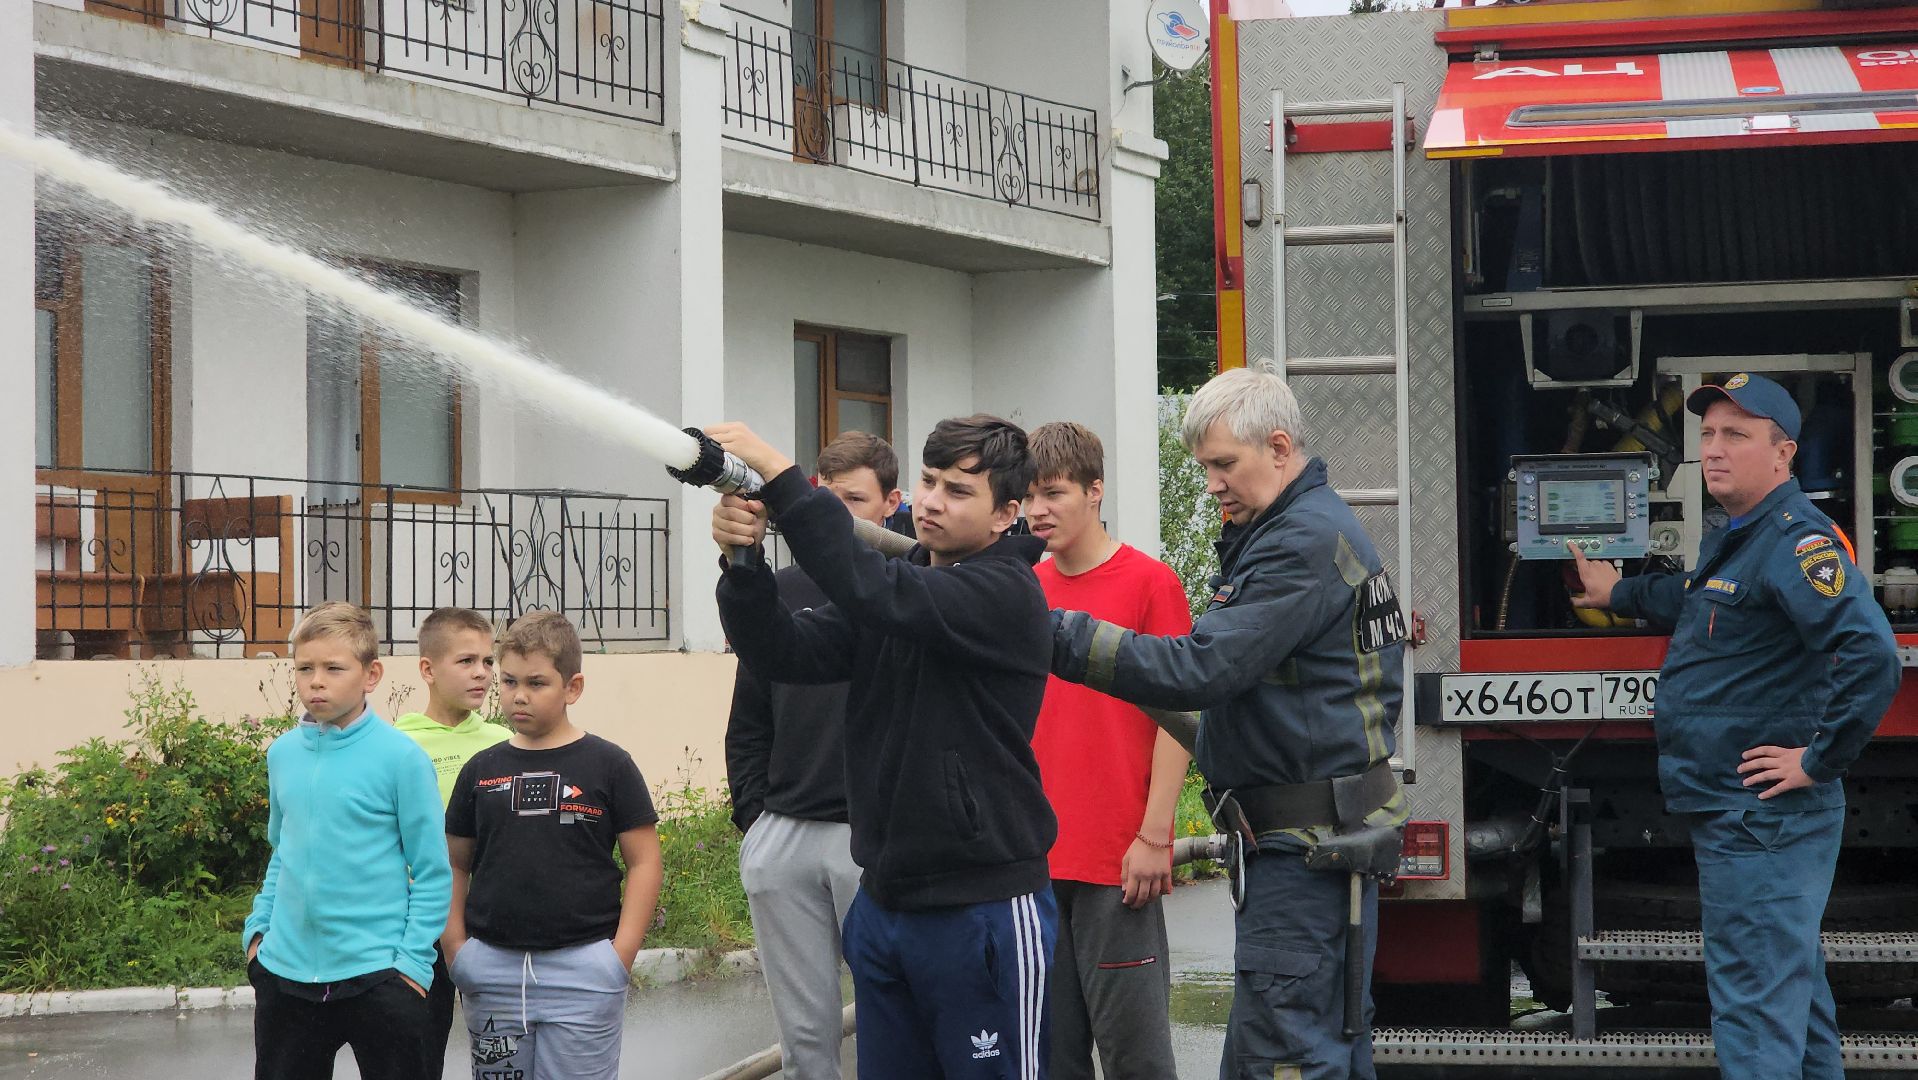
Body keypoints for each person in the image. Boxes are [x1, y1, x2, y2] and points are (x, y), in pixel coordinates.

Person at [1047, 363, 1407, 1080]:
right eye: (1204, 466)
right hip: (1310, 849)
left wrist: (1052, 632)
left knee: (1290, 1060)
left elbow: (1200, 670)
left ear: (1278, 448)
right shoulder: (1305, 527)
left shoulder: (1299, 541)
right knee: (1280, 1056)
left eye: (1222, 464)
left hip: (1305, 857)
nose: (1211, 483)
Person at [1569, 372, 1899, 1080]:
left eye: (1736, 436)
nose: (1713, 450)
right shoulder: (1742, 538)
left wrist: (1817, 759)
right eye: (1709, 433)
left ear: (1783, 455)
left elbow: (1872, 655)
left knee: (1754, 1022)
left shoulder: (1794, 541)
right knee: (1795, 1015)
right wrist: (1616, 591)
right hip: (1745, 818)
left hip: (1764, 820)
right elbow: (1696, 597)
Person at [711, 415, 1060, 1079]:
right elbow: (782, 652)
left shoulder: (1003, 593)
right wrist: (744, 565)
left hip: (982, 909)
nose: (931, 501)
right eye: (929, 482)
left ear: (1005, 515)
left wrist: (780, 478)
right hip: (886, 904)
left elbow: (874, 587)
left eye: (958, 491)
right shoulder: (902, 591)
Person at [727, 431, 903, 1080]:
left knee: (896, 1020)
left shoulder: (911, 587)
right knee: (806, 1040)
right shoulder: (779, 589)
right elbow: (747, 721)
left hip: (875, 841)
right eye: (826, 500)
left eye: (853, 500)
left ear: (892, 503)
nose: (834, 515)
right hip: (787, 836)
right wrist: (756, 822)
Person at [1023, 421, 1192, 1080]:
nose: (1039, 510)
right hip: (1033, 859)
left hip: (1117, 859)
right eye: (1030, 496)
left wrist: (1155, 834)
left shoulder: (1150, 584)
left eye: (1055, 494)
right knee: (1050, 1060)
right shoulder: (1025, 591)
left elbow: (1181, 718)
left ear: (1096, 491)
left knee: (1137, 1059)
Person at [442, 611, 664, 1080]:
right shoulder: (480, 770)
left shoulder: (610, 765)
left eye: (537, 683)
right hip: (492, 973)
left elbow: (644, 862)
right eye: (509, 681)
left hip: (584, 973)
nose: (519, 695)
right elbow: (453, 865)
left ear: (573, 687)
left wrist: (617, 958)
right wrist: (458, 950)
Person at [244, 602, 451, 1080]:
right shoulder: (282, 755)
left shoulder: (401, 758)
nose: (316, 681)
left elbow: (433, 871)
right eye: (304, 668)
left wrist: (411, 966)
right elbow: (283, 851)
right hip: (286, 977)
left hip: (379, 977)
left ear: (370, 674)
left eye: (333, 668)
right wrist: (258, 937)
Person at [395, 606, 510, 1078]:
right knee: (418, 1057)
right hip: (418, 927)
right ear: (428, 669)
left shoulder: (504, 741)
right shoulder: (398, 744)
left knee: (504, 1054)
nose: (481, 673)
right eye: (466, 662)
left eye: (487, 661)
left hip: (491, 922)